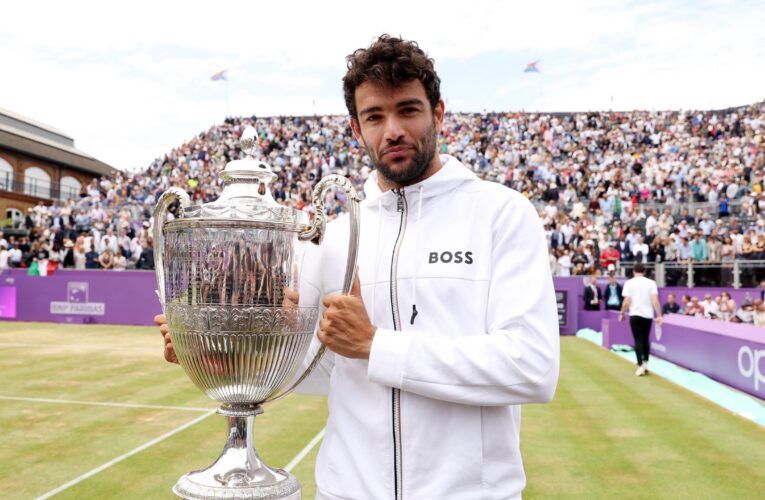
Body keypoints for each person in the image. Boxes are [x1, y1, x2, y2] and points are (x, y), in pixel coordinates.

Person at [156, 35, 560, 500]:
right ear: (356, 128)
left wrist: (376, 345)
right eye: (375, 116)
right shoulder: (337, 232)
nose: (393, 130)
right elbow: (328, 372)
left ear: (439, 114)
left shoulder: (500, 213)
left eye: (408, 110)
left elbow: (531, 366)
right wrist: (227, 354)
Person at [619, 262, 662, 376]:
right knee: (645, 339)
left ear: (634, 271)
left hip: (635, 315)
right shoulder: (651, 283)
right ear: (644, 272)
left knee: (638, 339)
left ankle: (640, 365)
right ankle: (645, 363)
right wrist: (659, 315)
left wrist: (622, 313)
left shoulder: (629, 283)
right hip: (647, 315)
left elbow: (626, 301)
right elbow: (655, 300)